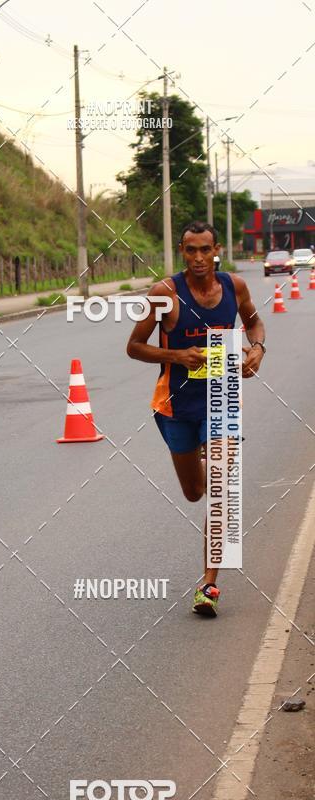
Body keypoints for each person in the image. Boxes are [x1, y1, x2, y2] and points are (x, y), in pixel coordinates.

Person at [127, 221, 266, 617]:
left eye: (206, 249)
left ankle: (209, 585)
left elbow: (254, 321)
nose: (199, 258)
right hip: (175, 406)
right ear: (181, 252)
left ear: (216, 249)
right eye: (191, 250)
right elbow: (134, 347)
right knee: (194, 492)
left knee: (221, 490)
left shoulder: (234, 287)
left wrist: (257, 348)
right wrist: (178, 356)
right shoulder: (164, 294)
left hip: (221, 398)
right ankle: (206, 459)